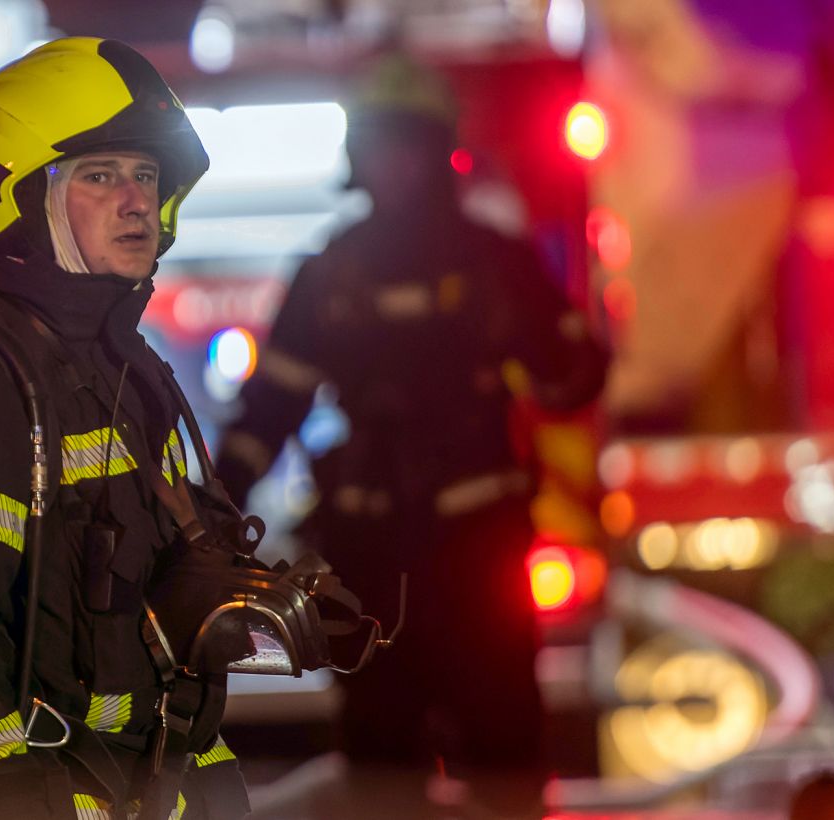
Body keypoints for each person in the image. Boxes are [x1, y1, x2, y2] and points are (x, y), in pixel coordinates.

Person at [0, 38, 248, 820]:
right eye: (100, 176)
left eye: (146, 175)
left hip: (139, 781)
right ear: (16, 191)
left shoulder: (129, 368)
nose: (137, 200)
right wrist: (8, 799)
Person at [214, 52, 607, 791]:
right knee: (379, 770)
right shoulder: (330, 275)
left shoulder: (498, 265)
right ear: (358, 158)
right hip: (372, 559)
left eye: (409, 144)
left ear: (440, 151)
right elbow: (266, 414)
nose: (395, 165)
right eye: (381, 146)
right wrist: (210, 508)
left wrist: (561, 344)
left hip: (480, 557)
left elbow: (573, 383)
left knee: (505, 759)